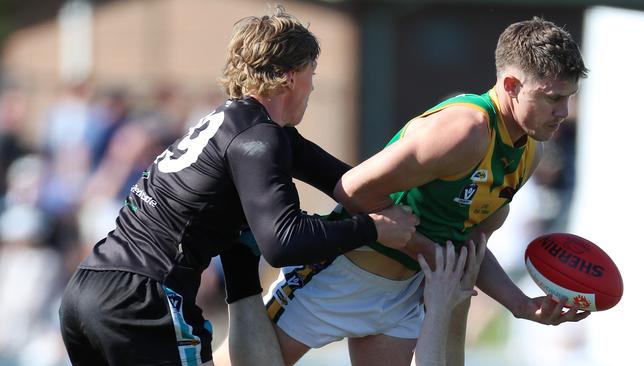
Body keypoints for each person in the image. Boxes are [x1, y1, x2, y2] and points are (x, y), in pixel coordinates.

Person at [58, 6, 420, 366]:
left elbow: (345, 182)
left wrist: (417, 190)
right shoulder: (259, 138)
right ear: (291, 76)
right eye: (313, 70)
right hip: (142, 300)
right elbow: (283, 242)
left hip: (88, 289)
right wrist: (373, 229)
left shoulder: (239, 124)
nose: (314, 82)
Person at [263, 17, 591, 366]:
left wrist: (521, 304)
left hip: (403, 298)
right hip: (343, 276)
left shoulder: (529, 152)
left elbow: (467, 247)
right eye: (553, 98)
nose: (563, 113)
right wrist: (423, 247)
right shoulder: (465, 130)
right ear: (511, 85)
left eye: (569, 98)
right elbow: (351, 188)